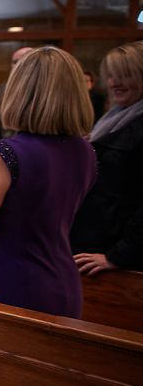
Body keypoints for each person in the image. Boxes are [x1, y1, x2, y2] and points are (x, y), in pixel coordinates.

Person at [0, 47, 96, 317]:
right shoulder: (85, 151)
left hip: (7, 282)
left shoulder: (5, 154)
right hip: (62, 280)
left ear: (20, 91)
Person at [72, 41, 143, 274]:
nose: (114, 83)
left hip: (116, 256)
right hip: (94, 241)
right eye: (111, 76)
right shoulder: (115, 117)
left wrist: (117, 257)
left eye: (124, 75)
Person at [0, 46, 34, 148]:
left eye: (22, 61)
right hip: (0, 148)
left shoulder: (40, 92)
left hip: (25, 151)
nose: (17, 66)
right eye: (14, 62)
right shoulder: (2, 89)